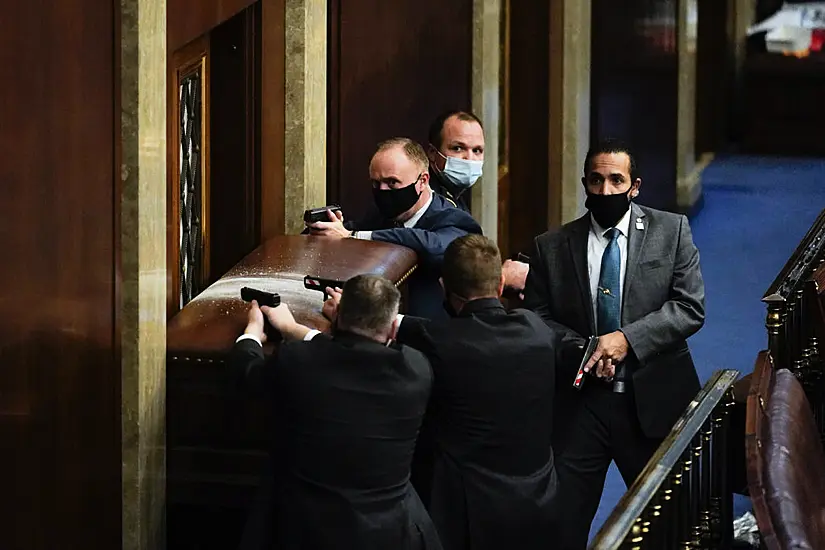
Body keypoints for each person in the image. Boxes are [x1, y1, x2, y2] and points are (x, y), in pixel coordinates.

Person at [522, 138, 706, 549]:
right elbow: (538, 319)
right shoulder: (550, 247)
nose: (605, 191)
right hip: (580, 406)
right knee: (561, 524)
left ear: (635, 186)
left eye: (616, 180)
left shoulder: (672, 232)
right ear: (585, 184)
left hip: (652, 400)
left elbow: (689, 308)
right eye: (596, 180)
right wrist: (586, 348)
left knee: (669, 522)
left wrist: (626, 340)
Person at [323, 235, 560, 550]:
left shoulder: (440, 342)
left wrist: (346, 313)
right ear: (501, 284)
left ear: (442, 287)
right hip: (539, 504)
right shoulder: (538, 331)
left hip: (468, 515)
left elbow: (400, 330)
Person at [230, 274, 442, 550]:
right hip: (393, 530)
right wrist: (295, 328)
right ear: (392, 330)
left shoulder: (298, 361)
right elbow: (350, 357)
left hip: (308, 529)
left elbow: (248, 375)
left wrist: (252, 335)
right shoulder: (416, 370)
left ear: (337, 316)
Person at [307, 137, 481, 319]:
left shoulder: (455, 220)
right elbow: (351, 229)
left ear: (423, 181)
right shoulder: (381, 213)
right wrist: (327, 229)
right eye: (376, 183)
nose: (382, 191)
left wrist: (353, 236)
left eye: (392, 182)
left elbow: (433, 247)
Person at [426, 110, 529, 294]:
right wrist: (500, 276)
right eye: (458, 148)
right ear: (433, 153)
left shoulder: (455, 197)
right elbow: (455, 264)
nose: (469, 159)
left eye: (477, 150)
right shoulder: (427, 201)